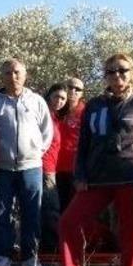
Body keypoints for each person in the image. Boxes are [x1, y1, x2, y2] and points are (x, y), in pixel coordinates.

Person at [43, 54, 133, 266]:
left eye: (122, 70)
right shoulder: (95, 105)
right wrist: (80, 174)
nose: (116, 76)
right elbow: (85, 143)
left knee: (131, 231)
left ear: (131, 72)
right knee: (69, 221)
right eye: (110, 72)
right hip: (98, 176)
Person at [0, 59, 53, 266]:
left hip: (31, 167)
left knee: (32, 212)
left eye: (17, 72)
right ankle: (3, 255)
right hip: (1, 167)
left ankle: (30, 257)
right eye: (8, 73)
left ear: (25, 75)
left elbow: (46, 130)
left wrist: (35, 151)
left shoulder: (37, 101)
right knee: (0, 212)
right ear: (1, 76)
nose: (12, 77)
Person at [40, 83, 67, 253]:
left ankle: (47, 246)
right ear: (49, 96)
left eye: (63, 98)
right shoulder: (44, 116)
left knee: (49, 207)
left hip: (52, 168)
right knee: (51, 208)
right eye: (56, 96)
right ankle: (51, 248)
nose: (59, 101)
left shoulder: (55, 117)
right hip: (43, 167)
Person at [56, 77, 86, 210]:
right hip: (55, 167)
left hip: (75, 168)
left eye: (77, 89)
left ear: (82, 93)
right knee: (56, 206)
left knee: (73, 207)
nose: (73, 91)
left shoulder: (86, 112)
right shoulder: (57, 110)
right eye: (70, 87)